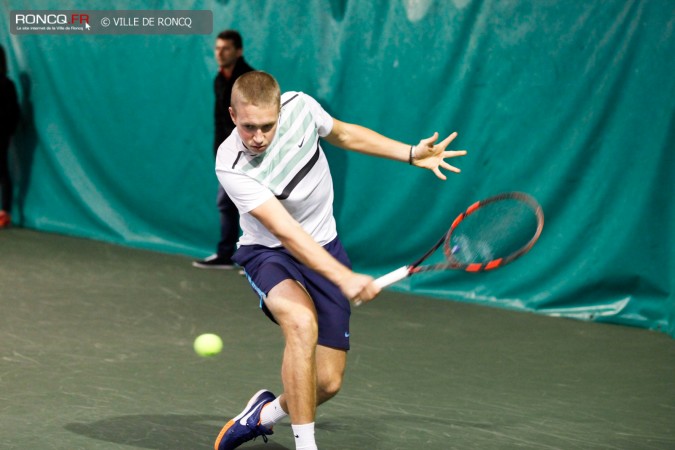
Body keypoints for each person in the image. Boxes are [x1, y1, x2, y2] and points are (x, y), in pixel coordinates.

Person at [214, 71, 466, 450]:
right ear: (233, 116)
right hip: (269, 254)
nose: (259, 137)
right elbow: (286, 231)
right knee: (300, 322)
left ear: (280, 112)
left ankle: (263, 415)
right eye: (249, 127)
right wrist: (343, 277)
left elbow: (345, 134)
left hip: (325, 244)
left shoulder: (301, 108)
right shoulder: (230, 163)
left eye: (267, 125)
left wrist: (411, 153)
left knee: (327, 383)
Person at [193, 30, 254, 268]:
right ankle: (226, 255)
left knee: (259, 206)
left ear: (238, 51)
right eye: (217, 48)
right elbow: (220, 121)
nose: (220, 53)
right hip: (228, 156)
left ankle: (264, 259)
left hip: (253, 154)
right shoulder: (219, 80)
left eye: (225, 48)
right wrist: (220, 154)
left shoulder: (250, 80)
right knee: (226, 204)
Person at [0, 45, 20, 229]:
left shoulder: (7, 85)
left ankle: (4, 212)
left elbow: (13, 113)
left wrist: (7, 131)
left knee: (3, 172)